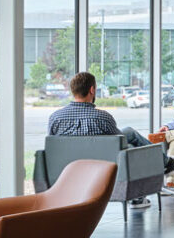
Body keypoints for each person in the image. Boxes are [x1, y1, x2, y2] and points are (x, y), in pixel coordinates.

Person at [48, 72, 157, 208]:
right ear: (92, 90)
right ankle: (161, 164)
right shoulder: (103, 118)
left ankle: (162, 162)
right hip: (101, 170)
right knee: (130, 144)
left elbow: (52, 147)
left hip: (67, 171)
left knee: (129, 134)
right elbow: (119, 144)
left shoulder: (55, 118)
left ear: (73, 90)